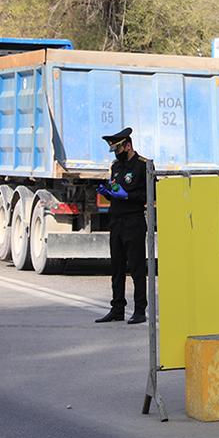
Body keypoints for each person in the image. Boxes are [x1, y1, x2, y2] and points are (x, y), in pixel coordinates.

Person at [94, 127, 149, 325]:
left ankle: (140, 310)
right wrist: (107, 192)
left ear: (128, 145)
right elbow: (115, 187)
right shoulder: (116, 166)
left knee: (136, 267)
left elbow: (150, 195)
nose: (116, 153)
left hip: (133, 221)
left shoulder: (143, 166)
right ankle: (117, 308)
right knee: (116, 267)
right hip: (116, 221)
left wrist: (128, 196)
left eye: (118, 149)